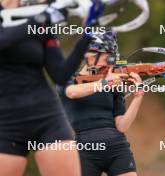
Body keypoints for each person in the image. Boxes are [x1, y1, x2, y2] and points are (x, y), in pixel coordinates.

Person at [0, 0, 93, 175]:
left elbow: (60, 74)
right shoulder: (39, 17)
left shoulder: (38, 16)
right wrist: (41, 18)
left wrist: (87, 33)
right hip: (5, 122)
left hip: (47, 118)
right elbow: (3, 39)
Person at [58, 31, 144, 176]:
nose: (109, 63)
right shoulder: (68, 77)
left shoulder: (113, 83)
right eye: (107, 57)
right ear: (89, 55)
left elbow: (122, 125)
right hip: (85, 150)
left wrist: (137, 97)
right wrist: (105, 83)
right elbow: (72, 92)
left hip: (117, 147)